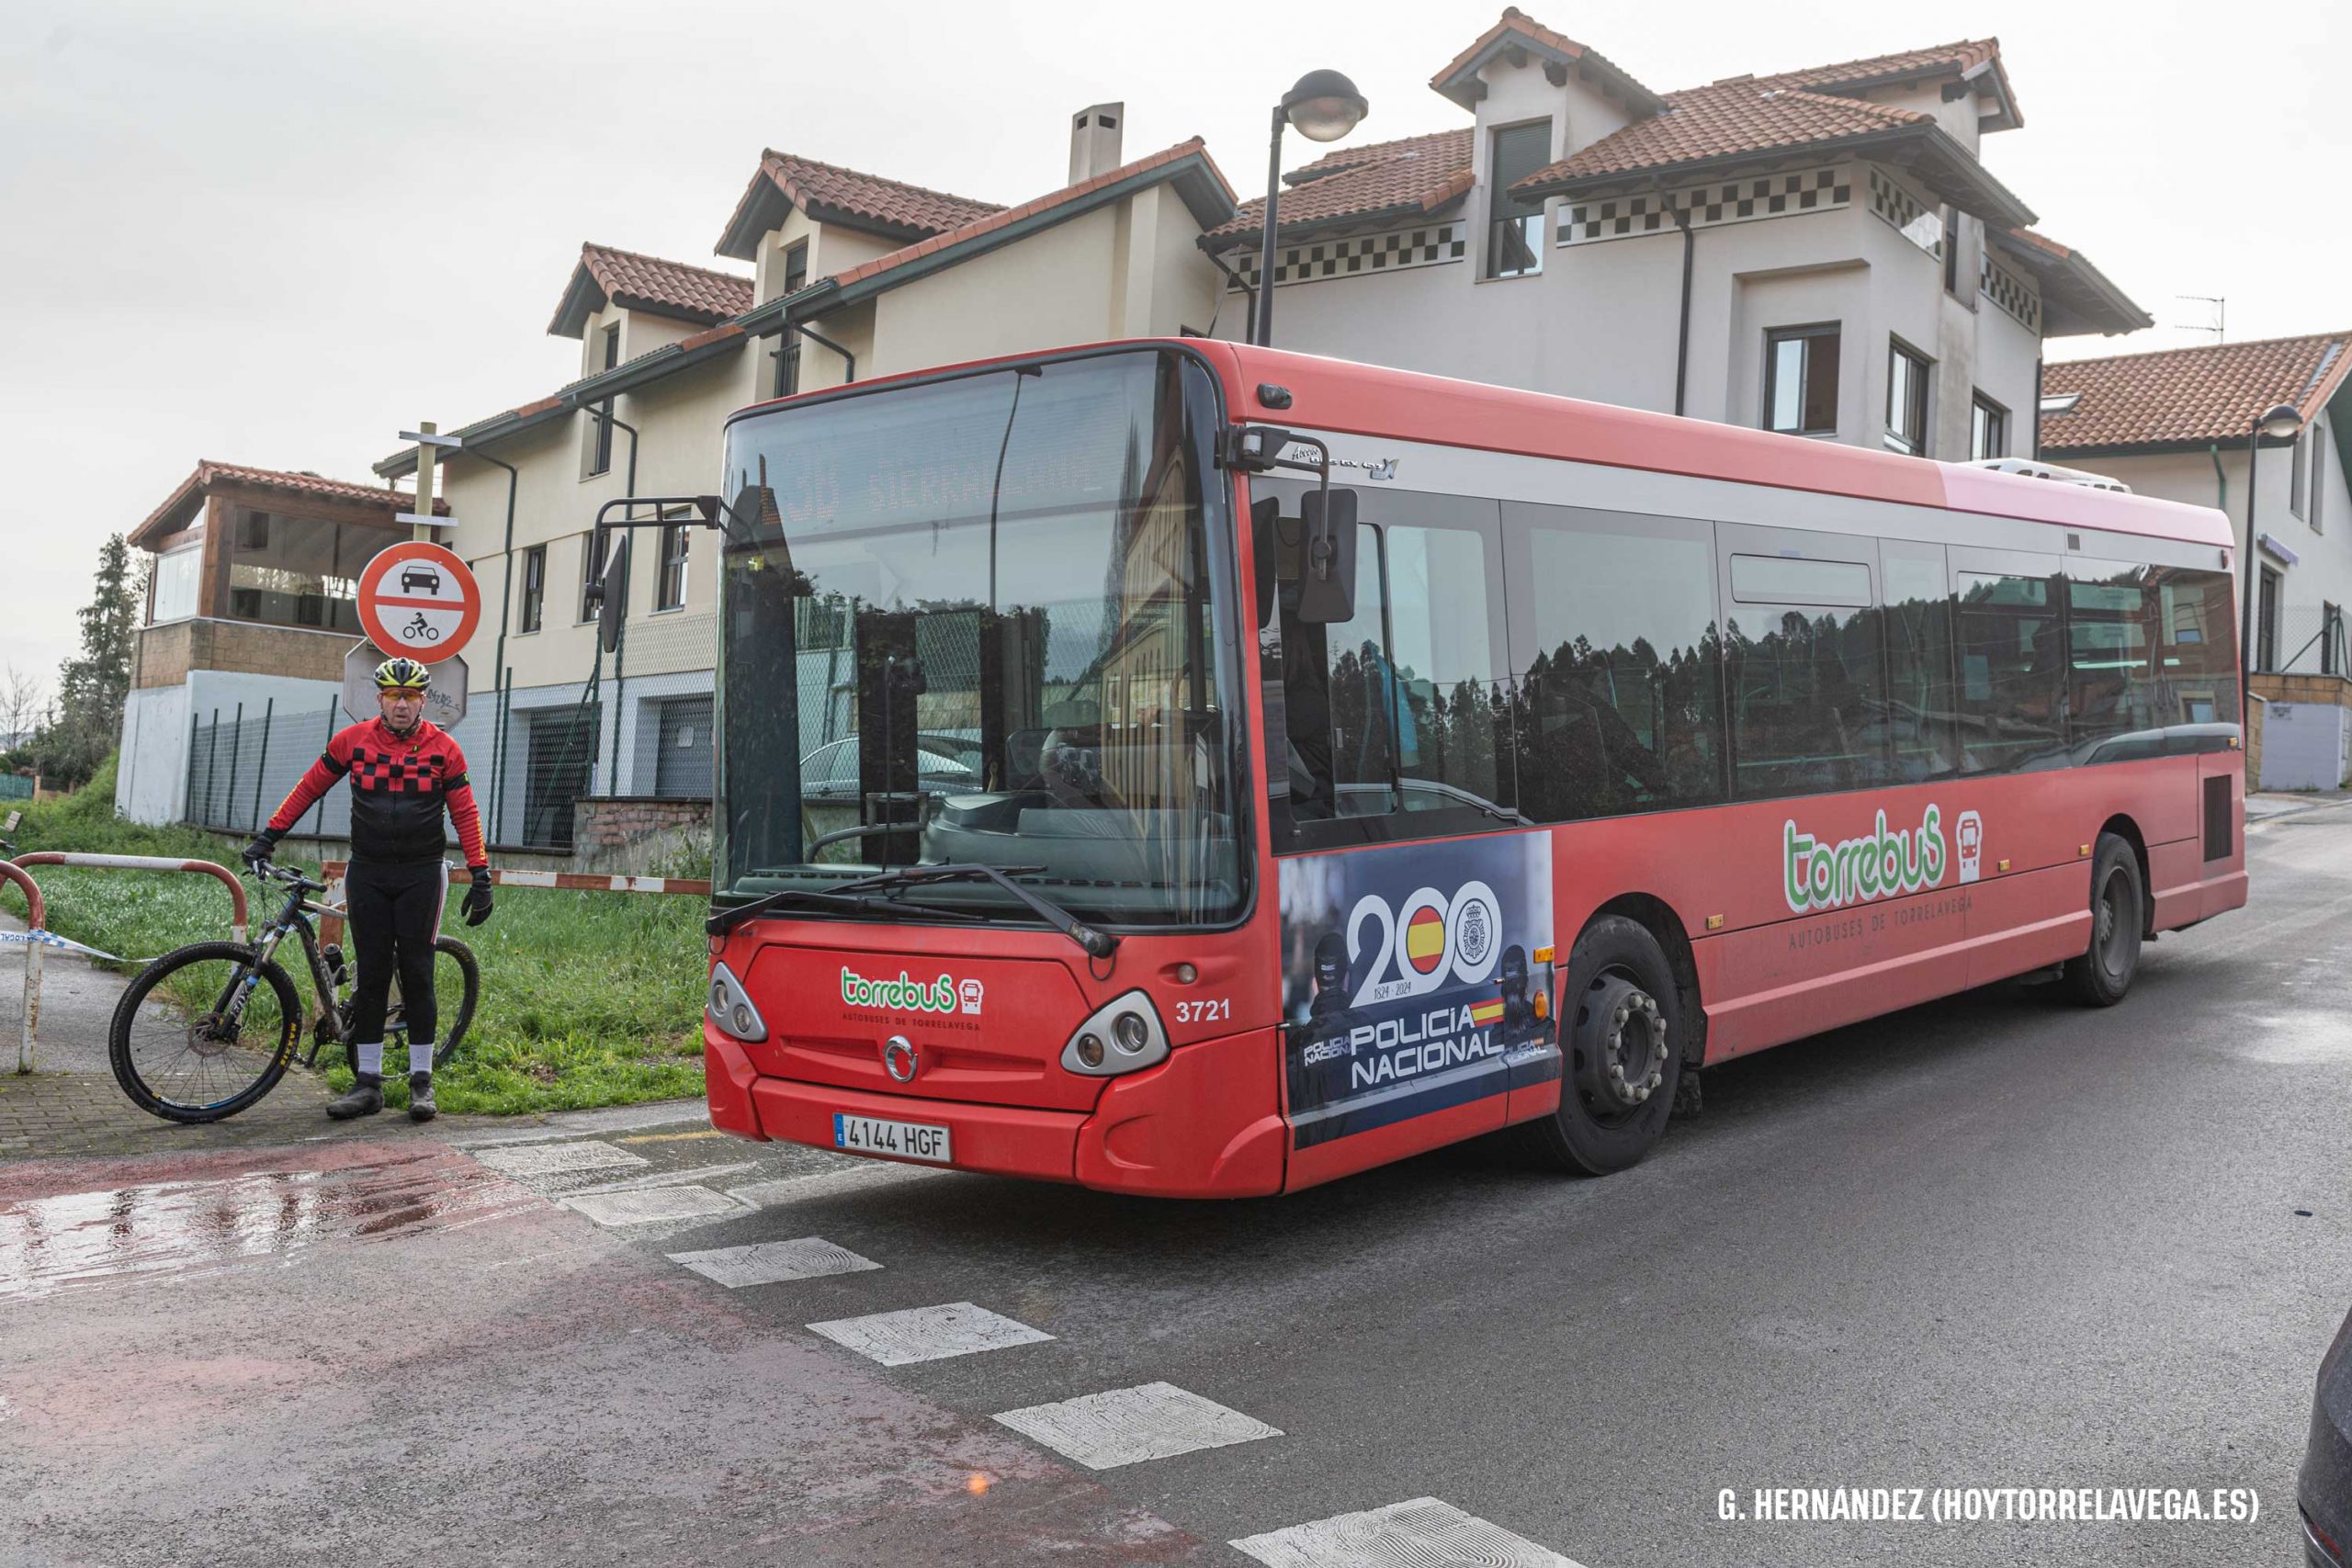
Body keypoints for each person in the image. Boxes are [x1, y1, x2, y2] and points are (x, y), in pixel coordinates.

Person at [244, 657, 492, 1123]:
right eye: (394, 696)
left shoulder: (444, 749)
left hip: (421, 874)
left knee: (417, 973)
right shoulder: (352, 742)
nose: (402, 704)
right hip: (369, 871)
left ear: (423, 700)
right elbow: (308, 788)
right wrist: (268, 836)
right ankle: (368, 1085)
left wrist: (480, 874)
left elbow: (466, 812)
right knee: (373, 975)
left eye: (411, 696)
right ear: (379, 698)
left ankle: (422, 1083)